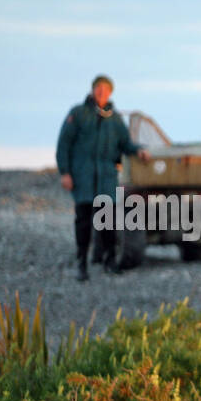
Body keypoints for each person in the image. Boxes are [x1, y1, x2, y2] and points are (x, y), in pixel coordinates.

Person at [55, 74, 150, 281]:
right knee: (83, 223)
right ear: (92, 90)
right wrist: (65, 172)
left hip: (106, 179)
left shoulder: (114, 119)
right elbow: (63, 144)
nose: (101, 92)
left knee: (107, 223)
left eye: (106, 89)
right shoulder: (78, 113)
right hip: (83, 178)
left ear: (110, 93)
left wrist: (138, 150)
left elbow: (125, 143)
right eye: (99, 88)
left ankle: (110, 261)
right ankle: (81, 262)